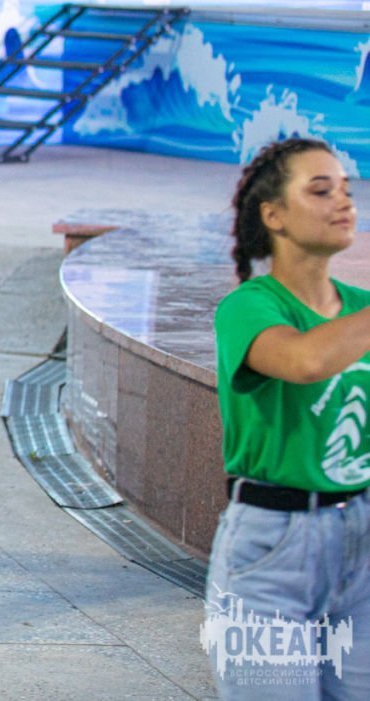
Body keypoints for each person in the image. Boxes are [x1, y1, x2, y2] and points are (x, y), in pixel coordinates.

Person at [208, 136, 370, 698]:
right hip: (272, 549)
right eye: (321, 190)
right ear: (273, 215)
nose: (344, 201)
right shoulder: (248, 307)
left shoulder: (358, 309)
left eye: (347, 190)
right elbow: (305, 362)